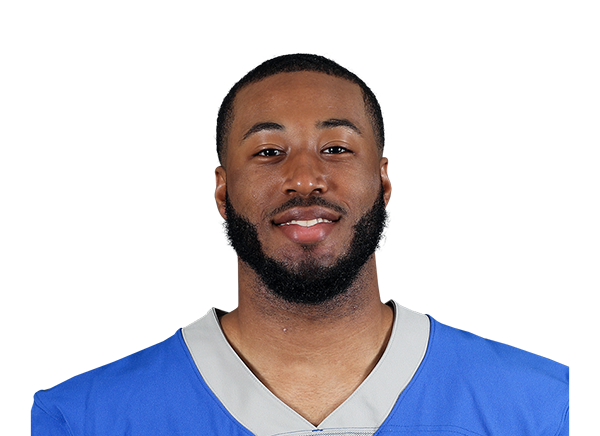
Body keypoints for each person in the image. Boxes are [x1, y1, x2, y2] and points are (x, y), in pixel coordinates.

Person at [31, 53, 569, 435]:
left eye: (337, 148)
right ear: (222, 191)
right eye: (268, 151)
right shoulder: (75, 422)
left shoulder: (553, 412)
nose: (305, 178)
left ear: (383, 182)